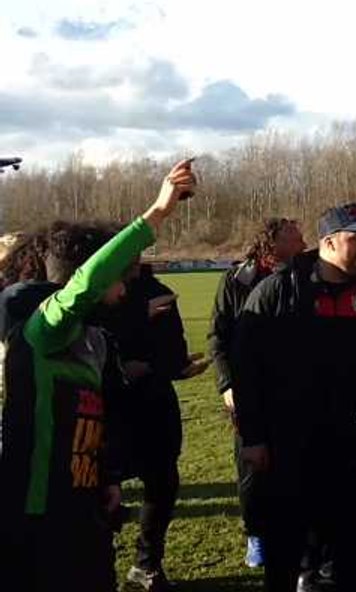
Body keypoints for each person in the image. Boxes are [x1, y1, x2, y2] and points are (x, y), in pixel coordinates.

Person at [0, 159, 196, 592]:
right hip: (35, 516)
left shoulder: (95, 341)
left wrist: (104, 479)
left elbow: (89, 422)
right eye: (120, 276)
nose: (126, 286)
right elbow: (87, 284)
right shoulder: (42, 331)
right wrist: (158, 211)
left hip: (83, 508)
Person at [232, 203, 356, 592]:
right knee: (285, 553)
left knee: (351, 556)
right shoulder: (276, 292)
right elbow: (245, 367)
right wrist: (252, 438)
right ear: (327, 242)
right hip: (289, 448)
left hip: (352, 449)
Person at [206, 217, 305, 567]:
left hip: (292, 393)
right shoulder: (237, 280)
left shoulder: (303, 279)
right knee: (251, 468)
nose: (303, 244)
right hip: (248, 391)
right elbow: (217, 337)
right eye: (295, 238)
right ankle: (256, 535)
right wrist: (227, 384)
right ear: (273, 242)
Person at [107, 262, 209, 592]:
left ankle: (147, 562)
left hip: (153, 400)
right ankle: (100, 563)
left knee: (162, 480)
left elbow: (172, 349)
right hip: (108, 405)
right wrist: (121, 367)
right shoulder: (94, 294)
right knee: (102, 485)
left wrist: (172, 368)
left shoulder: (159, 292)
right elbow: (89, 338)